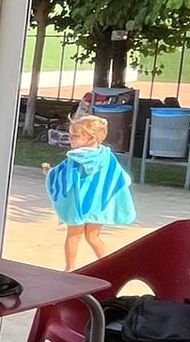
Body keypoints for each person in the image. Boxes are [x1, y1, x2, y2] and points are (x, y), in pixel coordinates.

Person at [44, 114, 136, 268]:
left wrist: (50, 173)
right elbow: (123, 179)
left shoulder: (75, 158)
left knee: (74, 235)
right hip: (98, 204)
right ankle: (109, 266)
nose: (71, 139)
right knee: (93, 237)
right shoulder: (107, 157)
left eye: (75, 136)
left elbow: (65, 177)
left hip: (77, 205)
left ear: (91, 138)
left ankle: (70, 267)